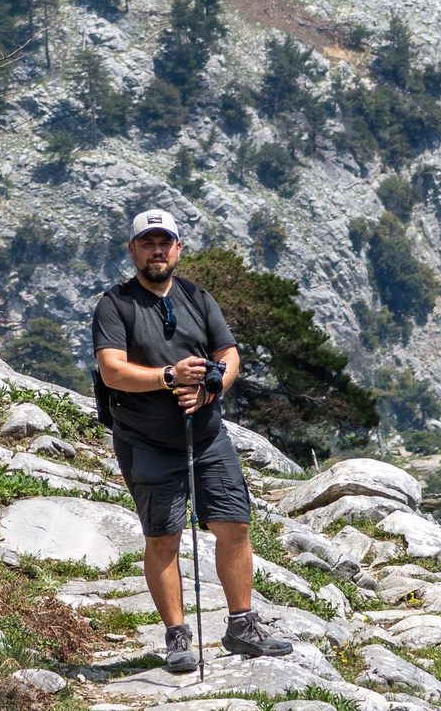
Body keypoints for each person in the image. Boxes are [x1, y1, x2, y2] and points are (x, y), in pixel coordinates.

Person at [92, 208, 293, 674]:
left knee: (235, 526)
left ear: (178, 249)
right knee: (163, 537)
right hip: (145, 439)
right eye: (147, 243)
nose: (157, 251)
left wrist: (213, 385)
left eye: (165, 243)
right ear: (133, 250)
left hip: (205, 436)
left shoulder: (198, 298)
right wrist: (170, 376)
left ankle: (242, 626)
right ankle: (178, 638)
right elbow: (111, 370)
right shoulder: (114, 304)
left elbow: (228, 352)